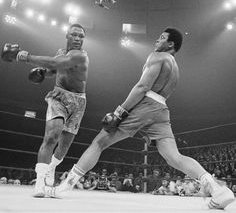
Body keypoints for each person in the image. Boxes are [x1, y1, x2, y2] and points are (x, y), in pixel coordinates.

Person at [44, 27, 234, 209]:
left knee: (99, 142)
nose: (157, 40)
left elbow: (142, 87)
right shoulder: (175, 66)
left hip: (146, 106)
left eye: (162, 37)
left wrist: (120, 111)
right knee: (174, 157)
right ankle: (219, 190)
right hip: (161, 109)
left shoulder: (157, 56)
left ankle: (64, 187)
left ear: (170, 44)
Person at [1, 23, 89, 197]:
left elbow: (57, 62)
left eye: (81, 36)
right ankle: (39, 184)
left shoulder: (80, 56)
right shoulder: (60, 52)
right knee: (51, 137)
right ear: (67, 36)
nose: (78, 39)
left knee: (63, 147)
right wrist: (42, 72)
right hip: (58, 97)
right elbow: (52, 69)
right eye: (74, 35)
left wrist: (23, 56)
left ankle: (52, 168)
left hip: (78, 102)